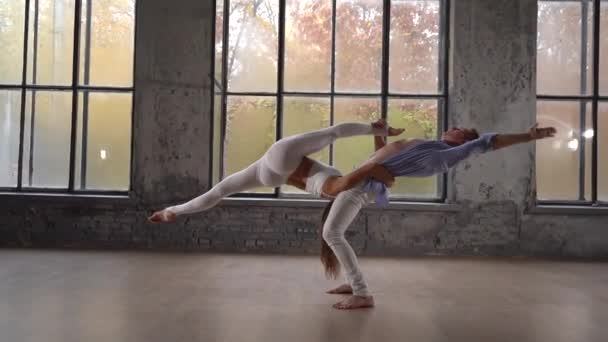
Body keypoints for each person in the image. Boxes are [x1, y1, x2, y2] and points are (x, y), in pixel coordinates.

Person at [320, 123, 557, 310]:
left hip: (362, 184)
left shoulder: (445, 155)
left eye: (458, 130)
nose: (452, 128)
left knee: (332, 233)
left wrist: (528, 136)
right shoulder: (430, 145)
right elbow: (381, 158)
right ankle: (354, 285)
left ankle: (362, 293)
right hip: (360, 179)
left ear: (462, 141)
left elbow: (487, 142)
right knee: (332, 231)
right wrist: (379, 135)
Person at [148, 121, 403, 223]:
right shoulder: (337, 191)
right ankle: (171, 211)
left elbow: (371, 162)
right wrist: (379, 136)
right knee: (220, 191)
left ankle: (172, 210)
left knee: (220, 191)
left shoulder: (341, 187)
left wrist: (378, 132)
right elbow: (376, 160)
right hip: (275, 173)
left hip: (275, 164)